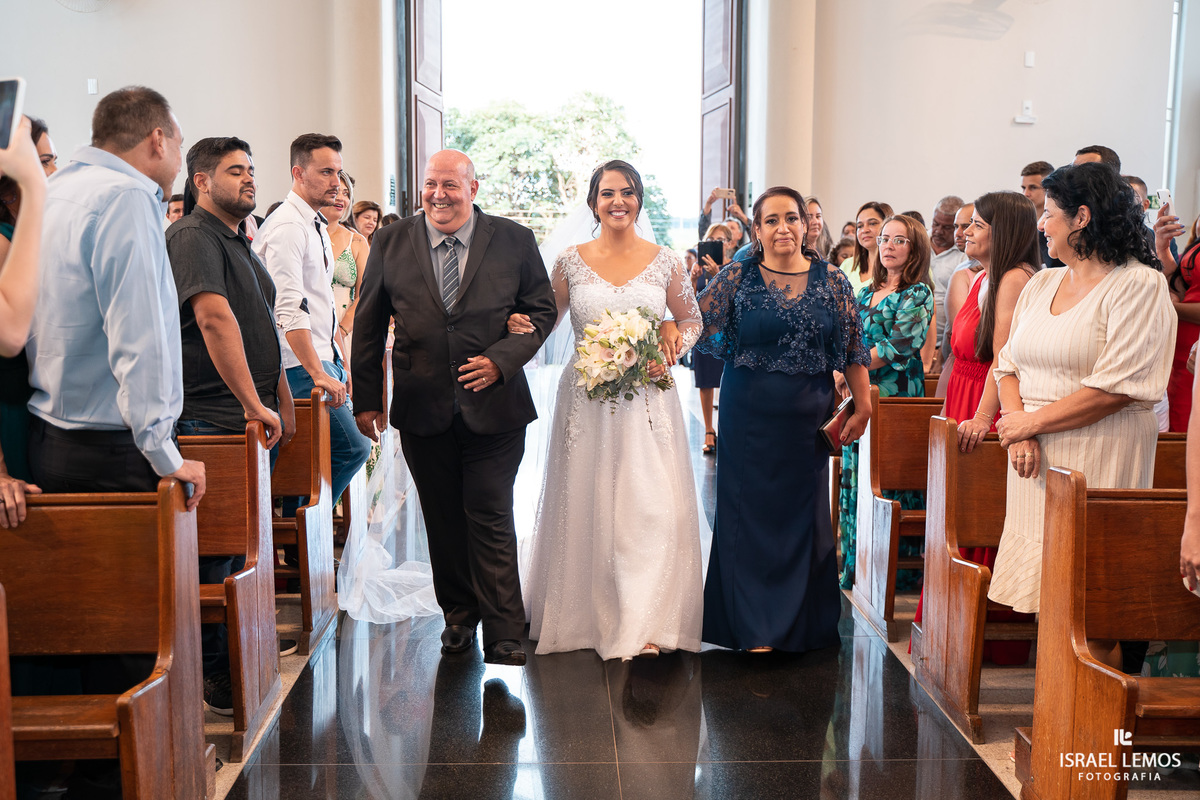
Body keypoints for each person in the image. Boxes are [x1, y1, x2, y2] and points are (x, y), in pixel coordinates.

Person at [21, 86, 204, 799]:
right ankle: (123, 779)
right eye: (179, 143)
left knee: (72, 623)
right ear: (156, 138)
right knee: (131, 634)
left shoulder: (57, 189)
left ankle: (72, 775)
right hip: (114, 445)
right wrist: (165, 453)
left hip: (51, 434)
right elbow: (142, 336)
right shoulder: (127, 201)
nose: (178, 157)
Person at [351, 149, 557, 666]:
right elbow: (369, 323)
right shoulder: (392, 240)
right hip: (422, 405)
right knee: (442, 517)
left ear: (473, 188)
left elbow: (541, 309)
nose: (438, 195)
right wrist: (367, 399)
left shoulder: (513, 239)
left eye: (449, 184)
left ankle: (507, 630)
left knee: (489, 510)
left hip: (496, 405)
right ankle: (459, 615)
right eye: (429, 185)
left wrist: (501, 359)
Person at [511, 159, 704, 661]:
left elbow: (692, 321)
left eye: (627, 192)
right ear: (593, 202)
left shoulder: (665, 260)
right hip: (587, 400)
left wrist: (672, 339)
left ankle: (647, 617)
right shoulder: (571, 261)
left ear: (639, 200)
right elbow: (546, 322)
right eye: (607, 193)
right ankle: (589, 613)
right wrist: (511, 336)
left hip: (647, 400)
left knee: (649, 505)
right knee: (589, 500)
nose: (618, 201)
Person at [988, 162, 1175, 616]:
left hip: (1100, 456)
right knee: (1048, 604)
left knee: (1091, 610)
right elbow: (1007, 364)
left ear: (1082, 218)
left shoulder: (1137, 284)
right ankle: (1053, 690)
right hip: (1034, 459)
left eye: (1049, 212)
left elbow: (1116, 387)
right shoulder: (1043, 283)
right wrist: (1021, 428)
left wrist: (1027, 423)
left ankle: (1091, 689)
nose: (1040, 223)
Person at [695, 186, 871, 652]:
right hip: (747, 415)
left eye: (790, 218)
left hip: (805, 421)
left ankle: (797, 625)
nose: (783, 228)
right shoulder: (739, 276)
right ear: (756, 229)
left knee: (801, 517)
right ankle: (753, 629)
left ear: (806, 224)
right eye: (771, 220)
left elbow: (853, 347)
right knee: (746, 515)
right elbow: (693, 321)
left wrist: (864, 404)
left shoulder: (833, 281)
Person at [166, 135, 297, 714]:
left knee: (241, 547)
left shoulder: (235, 237)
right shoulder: (193, 235)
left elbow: (261, 320)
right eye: (235, 170)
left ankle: (239, 653)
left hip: (243, 412)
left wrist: (281, 396)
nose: (249, 179)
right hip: (212, 415)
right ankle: (214, 675)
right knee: (214, 556)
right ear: (201, 180)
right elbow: (213, 319)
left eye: (251, 169)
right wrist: (251, 402)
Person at [914, 191, 1040, 664]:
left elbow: (1003, 360)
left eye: (979, 225)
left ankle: (978, 647)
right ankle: (948, 637)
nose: (966, 232)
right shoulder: (984, 276)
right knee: (954, 525)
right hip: (962, 399)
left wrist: (984, 418)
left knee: (976, 526)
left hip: (983, 405)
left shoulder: (1012, 279)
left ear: (1003, 232)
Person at [253, 133, 371, 510]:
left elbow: (324, 308)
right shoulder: (288, 226)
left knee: (310, 458)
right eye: (325, 172)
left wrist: (340, 362)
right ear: (298, 173)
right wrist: (317, 371)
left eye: (338, 172)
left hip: (323, 356)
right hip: (300, 364)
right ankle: (308, 535)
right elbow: (288, 308)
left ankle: (299, 540)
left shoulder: (313, 223)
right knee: (354, 448)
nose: (336, 182)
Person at [837, 214, 934, 589]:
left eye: (899, 240)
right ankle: (855, 566)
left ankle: (893, 573)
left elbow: (898, 347)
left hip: (894, 395)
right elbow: (846, 339)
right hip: (857, 389)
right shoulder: (864, 291)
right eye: (885, 239)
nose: (888, 246)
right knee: (855, 474)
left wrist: (850, 368)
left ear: (915, 248)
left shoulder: (918, 293)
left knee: (886, 479)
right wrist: (840, 370)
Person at [0, 116, 48, 529]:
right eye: (43, 161)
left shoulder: (27, 236)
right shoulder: (1, 241)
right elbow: (9, 336)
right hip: (8, 415)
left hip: (36, 410)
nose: (51, 173)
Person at [1155, 207, 1200, 431]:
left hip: (1194, 341)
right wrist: (1163, 249)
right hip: (1181, 346)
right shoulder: (1196, 245)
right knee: (1178, 420)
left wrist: (1174, 308)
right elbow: (1184, 289)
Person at [694, 222, 736, 453]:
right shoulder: (699, 267)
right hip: (703, 328)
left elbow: (734, 301)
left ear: (729, 244)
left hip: (726, 330)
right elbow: (690, 302)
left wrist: (717, 275)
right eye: (712, 240)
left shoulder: (734, 267)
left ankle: (727, 429)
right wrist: (693, 280)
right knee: (705, 380)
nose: (717, 244)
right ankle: (708, 429)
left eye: (721, 240)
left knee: (727, 378)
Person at [323, 170, 369, 360]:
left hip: (345, 328)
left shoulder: (357, 242)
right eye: (336, 191)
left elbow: (364, 295)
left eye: (346, 193)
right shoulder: (306, 235)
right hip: (311, 328)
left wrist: (341, 331)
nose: (341, 198)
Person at [928, 196, 965, 354]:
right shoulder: (917, 246)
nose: (938, 231)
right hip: (913, 341)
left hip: (946, 344)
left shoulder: (964, 256)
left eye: (947, 227)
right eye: (936, 224)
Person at [841, 201, 892, 297]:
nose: (865, 230)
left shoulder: (896, 267)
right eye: (860, 226)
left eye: (872, 223)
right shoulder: (847, 265)